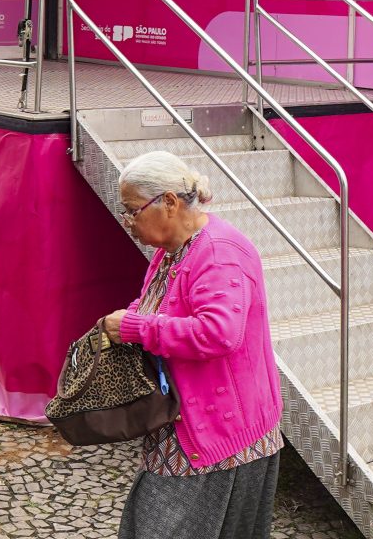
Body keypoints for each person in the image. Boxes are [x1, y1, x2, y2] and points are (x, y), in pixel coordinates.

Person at [104, 151, 283, 539]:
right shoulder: (170, 252)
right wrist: (131, 319)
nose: (128, 221)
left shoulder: (218, 253)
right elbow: (156, 303)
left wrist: (135, 328)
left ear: (168, 202)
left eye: (133, 210)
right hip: (187, 421)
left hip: (220, 432)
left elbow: (219, 333)